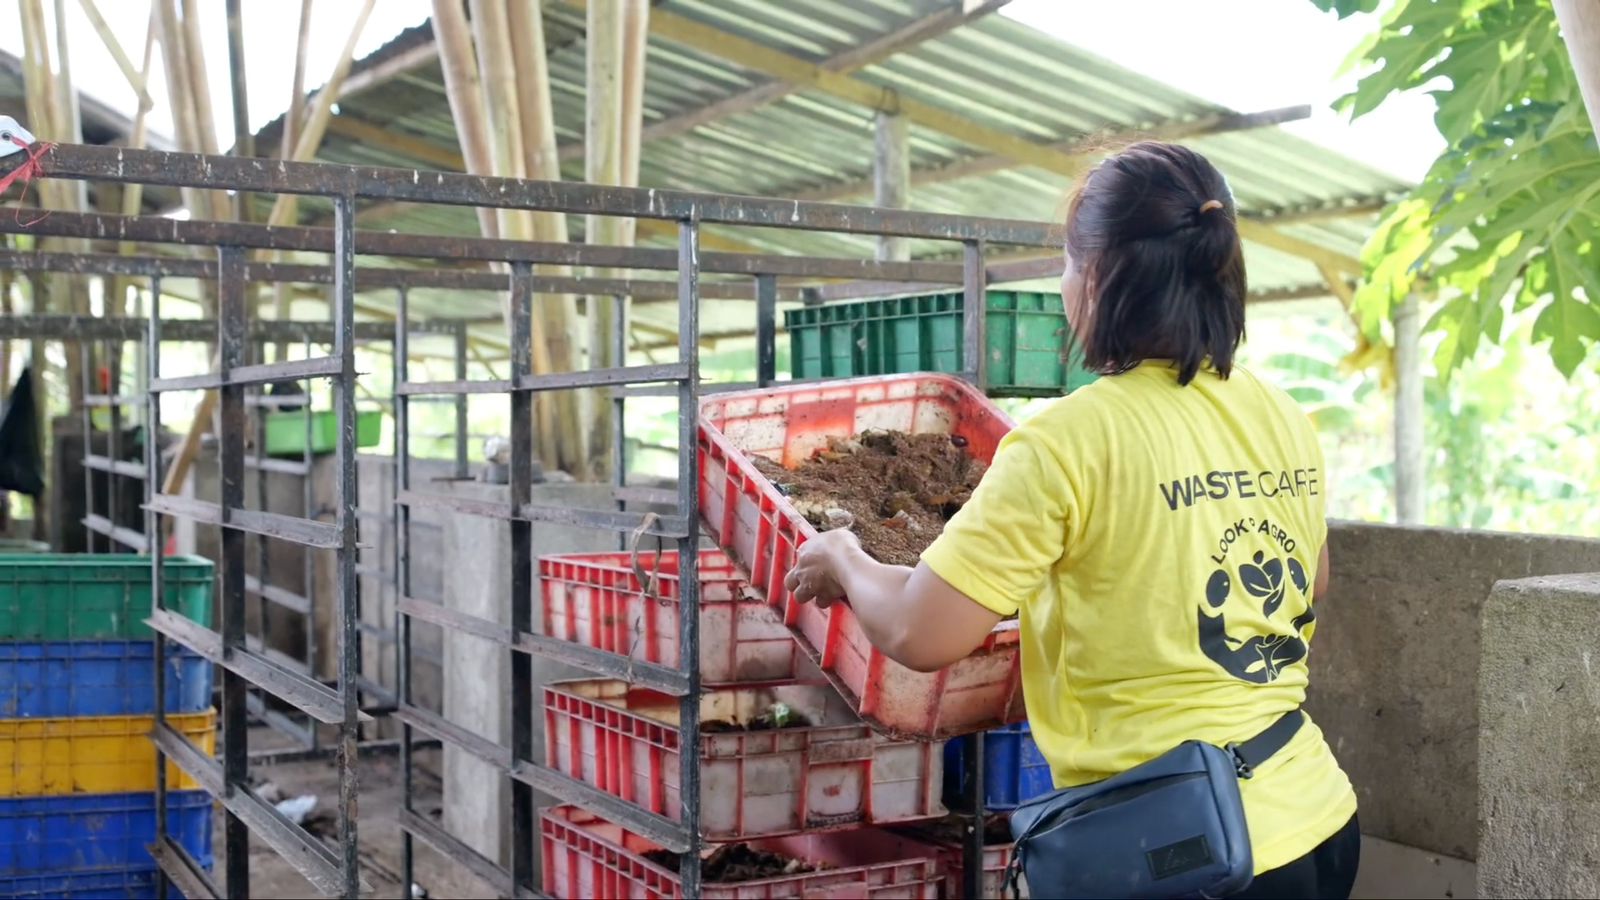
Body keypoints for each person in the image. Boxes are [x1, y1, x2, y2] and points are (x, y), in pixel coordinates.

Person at [784, 141, 1360, 900]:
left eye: (1064, 263)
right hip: (1315, 822)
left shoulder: (1066, 441)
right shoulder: (1280, 414)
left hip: (1187, 851)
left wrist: (847, 560)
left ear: (1098, 277)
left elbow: (922, 634)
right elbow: (1307, 582)